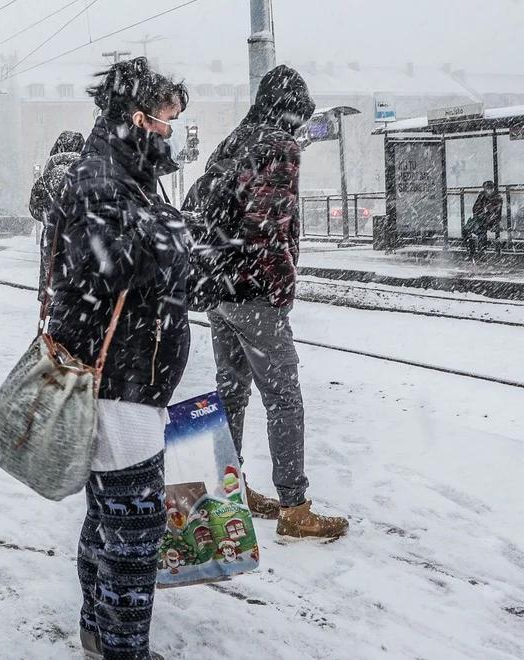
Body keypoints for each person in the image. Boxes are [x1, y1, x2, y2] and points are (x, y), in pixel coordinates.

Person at [44, 58, 189, 660]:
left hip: (125, 374)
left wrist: (173, 236)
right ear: (137, 117)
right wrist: (178, 241)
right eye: (165, 120)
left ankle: (98, 633)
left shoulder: (122, 173)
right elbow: (114, 266)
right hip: (119, 381)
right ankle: (122, 647)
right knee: (134, 529)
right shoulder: (104, 178)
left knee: (109, 515)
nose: (170, 132)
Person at [198, 65, 348, 539]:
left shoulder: (233, 142)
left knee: (232, 392)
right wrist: (281, 291)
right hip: (253, 291)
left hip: (217, 289)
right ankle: (294, 507)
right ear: (291, 110)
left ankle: (231, 489)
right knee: (284, 397)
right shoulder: (277, 147)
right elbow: (269, 227)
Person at [31, 130, 85, 301]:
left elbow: (35, 209)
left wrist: (50, 214)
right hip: (81, 238)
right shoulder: (87, 172)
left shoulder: (48, 176)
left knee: (54, 285)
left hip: (53, 239)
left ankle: (55, 315)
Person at [469, 180, 503, 258]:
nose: (489, 190)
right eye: (487, 188)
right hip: (482, 219)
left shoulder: (497, 197)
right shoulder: (482, 195)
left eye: (490, 188)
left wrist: (486, 211)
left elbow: (496, 213)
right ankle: (474, 252)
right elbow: (475, 208)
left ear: (493, 189)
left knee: (481, 231)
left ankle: (481, 251)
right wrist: (482, 212)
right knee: (468, 229)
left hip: (492, 221)